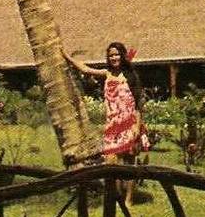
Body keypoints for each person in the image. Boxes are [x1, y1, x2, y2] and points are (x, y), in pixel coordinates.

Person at [62, 42, 148, 205]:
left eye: (116, 54)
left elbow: (138, 104)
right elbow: (85, 69)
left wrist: (137, 126)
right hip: (112, 125)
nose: (114, 57)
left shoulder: (130, 75)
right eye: (111, 55)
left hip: (130, 123)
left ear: (122, 56)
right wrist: (66, 56)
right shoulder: (106, 73)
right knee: (111, 163)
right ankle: (117, 198)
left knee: (129, 164)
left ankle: (129, 199)